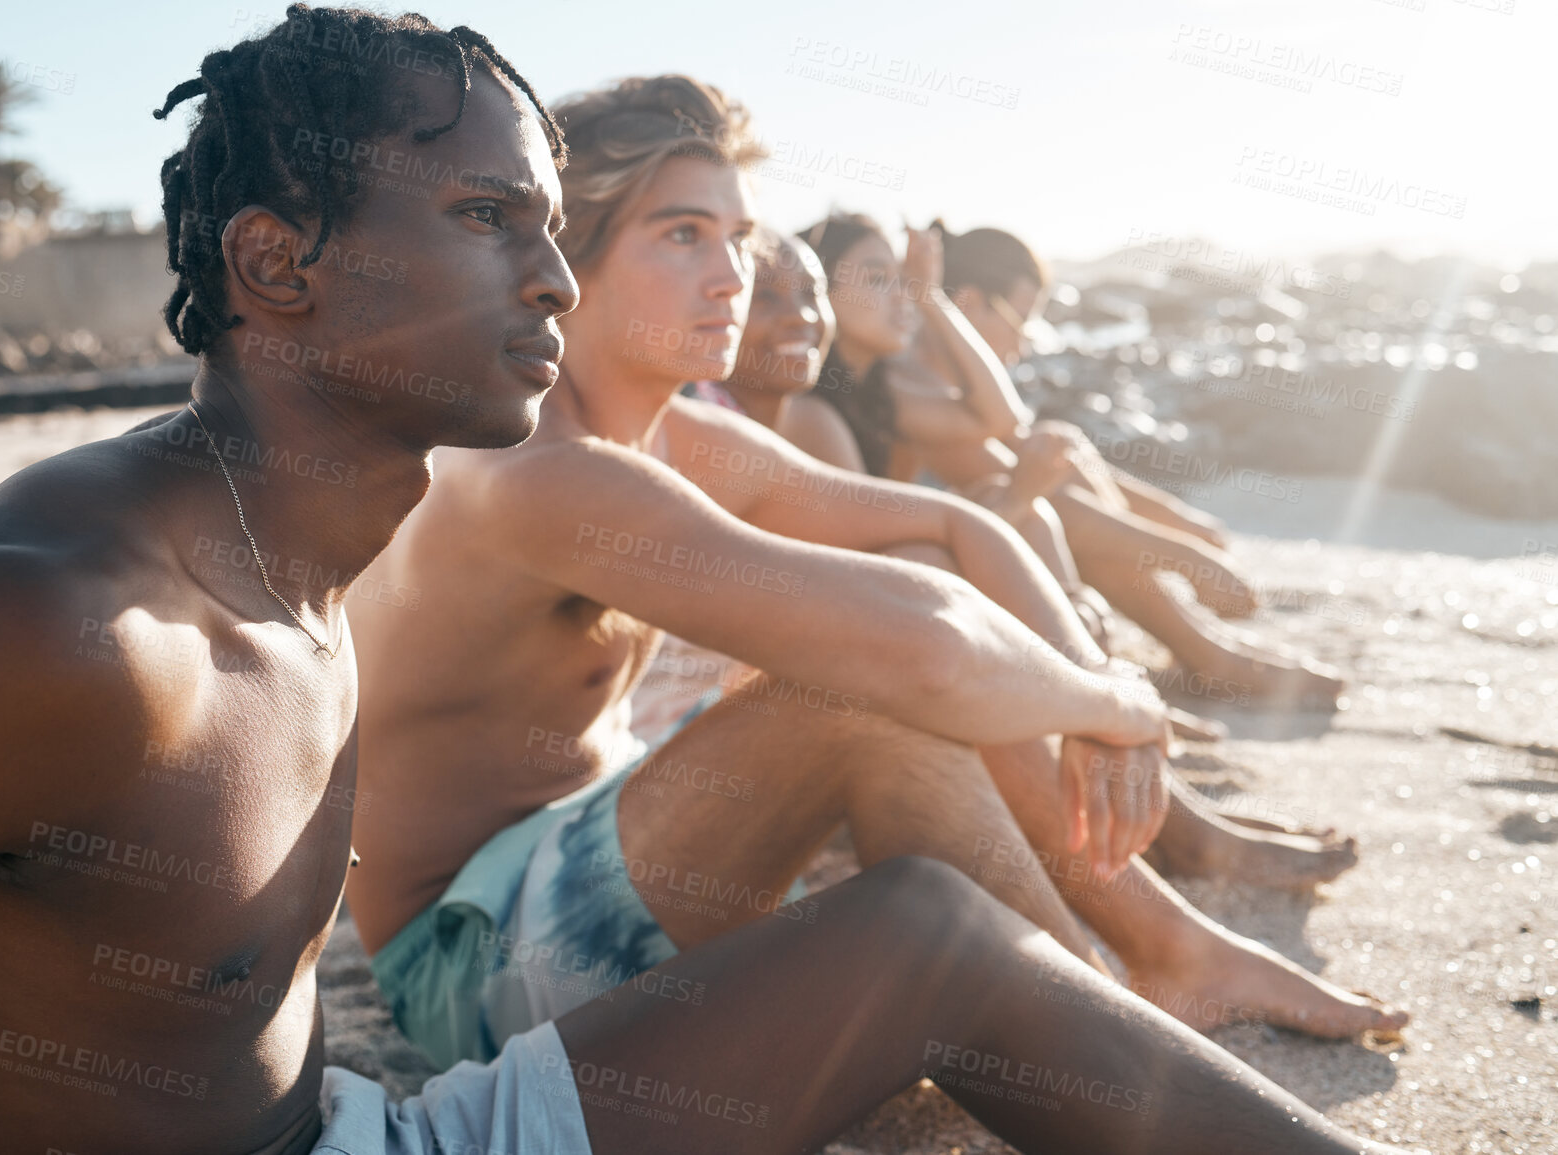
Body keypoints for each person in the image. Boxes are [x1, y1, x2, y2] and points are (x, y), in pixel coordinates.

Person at [0, 14, 1415, 1155]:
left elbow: (931, 552)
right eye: (483, 218)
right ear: (277, 263)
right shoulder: (46, 622)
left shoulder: (299, 556)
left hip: (364, 1116)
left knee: (927, 936)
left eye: (549, 223)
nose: (553, 276)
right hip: (420, 1045)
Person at [342, 75, 1405, 1117]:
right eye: (681, 235)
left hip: (604, 846)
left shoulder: (670, 433)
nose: (732, 276)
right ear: (571, 262)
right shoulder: (540, 468)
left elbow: (949, 527)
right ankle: (1115, 1003)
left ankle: (1160, 952)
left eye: (739, 236)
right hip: (469, 962)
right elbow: (925, 650)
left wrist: (1088, 690)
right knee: (861, 696)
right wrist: (1114, 705)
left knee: (898, 657)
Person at [672, 227, 1359, 890]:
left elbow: (998, 427)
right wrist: (1164, 552)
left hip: (886, 632)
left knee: (1017, 498)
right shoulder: (813, 413)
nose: (901, 296)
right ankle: (1162, 796)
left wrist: (931, 301)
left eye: (811, 293)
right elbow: (874, 584)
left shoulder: (875, 391)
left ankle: (1159, 767)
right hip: (839, 669)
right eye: (879, 280)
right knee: (997, 522)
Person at [799, 213, 1346, 710]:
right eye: (1024, 320)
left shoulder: (883, 381)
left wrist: (1182, 530)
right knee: (1036, 499)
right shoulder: (882, 382)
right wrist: (1184, 553)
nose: (1026, 343)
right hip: (893, 585)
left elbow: (1020, 441)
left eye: (900, 282)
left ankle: (1186, 649)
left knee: (1053, 458)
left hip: (925, 559)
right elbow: (1011, 443)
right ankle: (1183, 656)